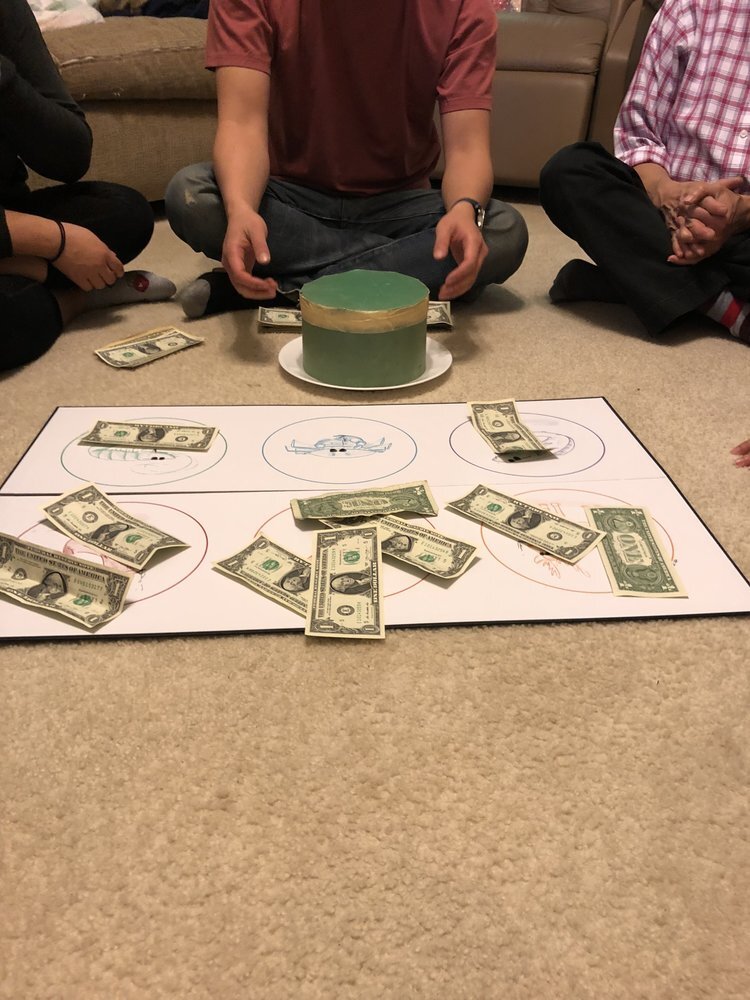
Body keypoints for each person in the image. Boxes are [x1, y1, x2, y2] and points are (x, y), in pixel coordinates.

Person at [165, 0, 528, 319]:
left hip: (396, 208)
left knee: (503, 230)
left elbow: (468, 148)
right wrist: (242, 208)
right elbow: (241, 125)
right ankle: (394, 279)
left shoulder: (464, 6)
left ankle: (287, 290)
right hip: (288, 201)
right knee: (192, 195)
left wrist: (464, 209)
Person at [538, 0, 750, 344]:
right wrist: (670, 196)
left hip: (744, 228)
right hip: (665, 215)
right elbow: (639, 134)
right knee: (570, 171)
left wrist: (740, 213)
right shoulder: (688, 6)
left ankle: (626, 281)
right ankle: (727, 309)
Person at [0, 0, 176, 372]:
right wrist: (55, 242)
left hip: (10, 216)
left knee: (125, 212)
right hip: (16, 236)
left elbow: (70, 159)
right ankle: (77, 298)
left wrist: (4, 80)